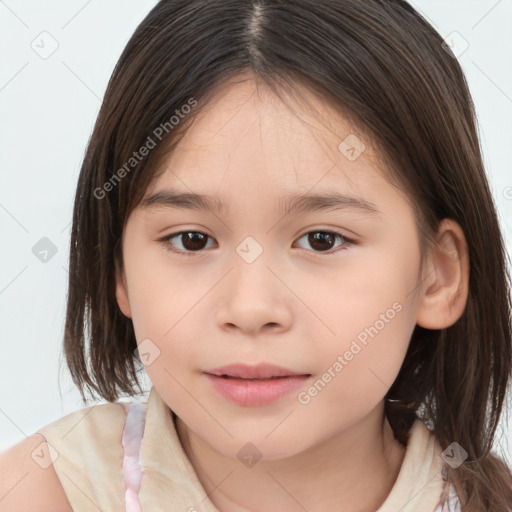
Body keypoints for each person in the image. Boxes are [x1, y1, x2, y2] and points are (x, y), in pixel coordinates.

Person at [1, 1, 511, 511]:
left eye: (322, 240)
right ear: (120, 271)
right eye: (192, 240)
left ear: (437, 276)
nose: (250, 308)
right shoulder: (37, 492)